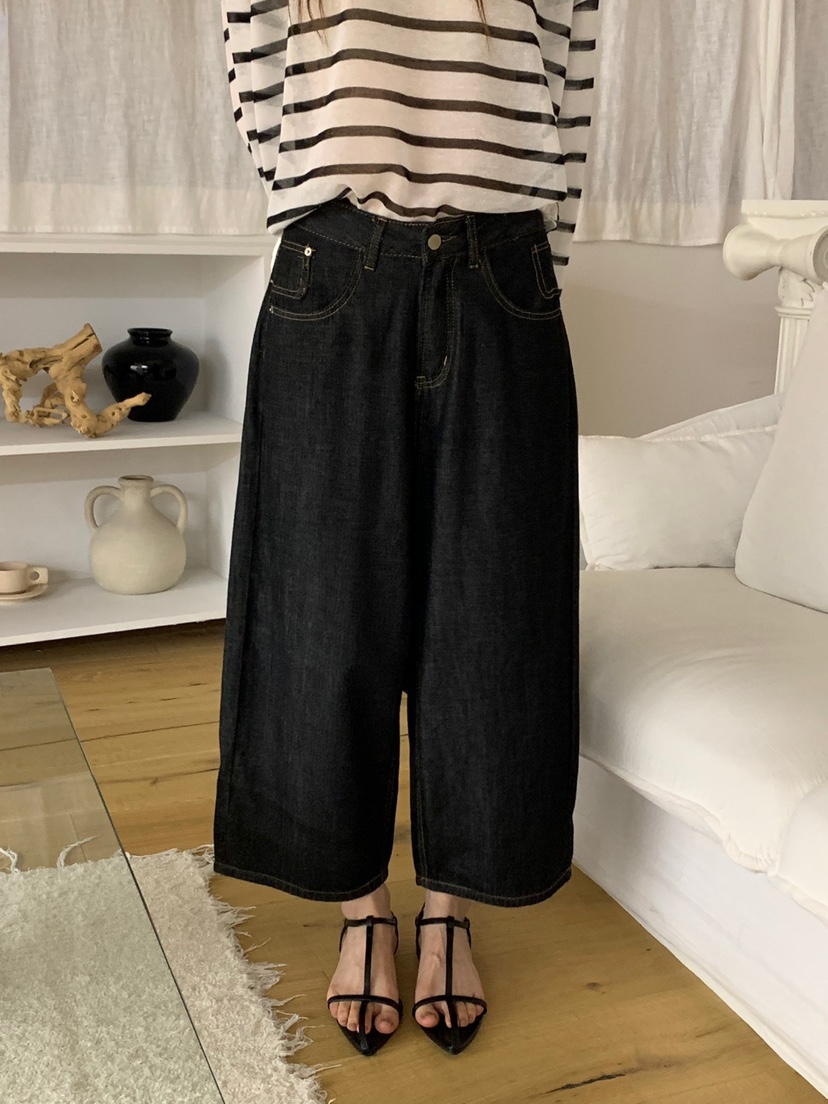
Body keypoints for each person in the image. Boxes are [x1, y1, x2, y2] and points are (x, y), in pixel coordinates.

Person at [213, 0, 600, 1058]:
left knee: (493, 619)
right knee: (320, 616)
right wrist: (314, 201)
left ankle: (450, 909)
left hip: (505, 265)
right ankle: (360, 909)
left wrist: (540, 259)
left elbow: (569, 82)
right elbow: (252, 53)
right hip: (336, 262)